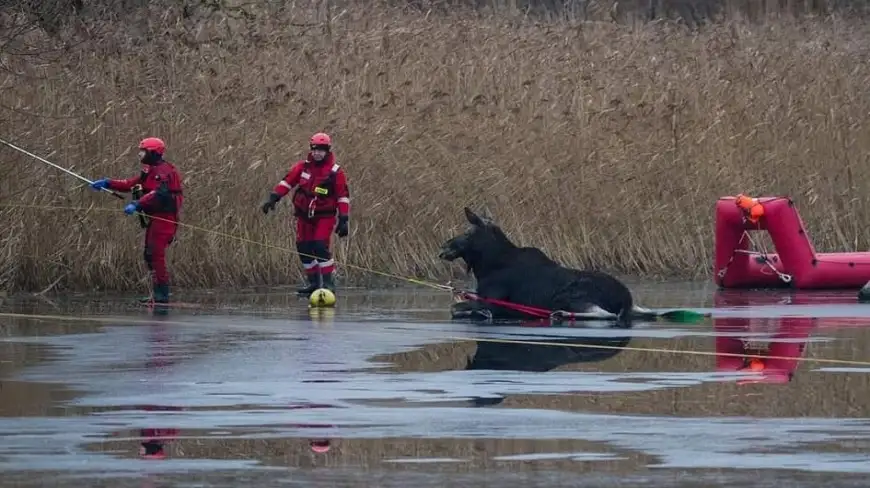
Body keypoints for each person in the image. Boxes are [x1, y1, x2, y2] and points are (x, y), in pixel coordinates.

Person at [90, 137, 184, 304]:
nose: (140, 154)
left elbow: (158, 194)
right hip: (155, 218)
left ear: (154, 153)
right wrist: (108, 183)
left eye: (143, 151)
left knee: (156, 254)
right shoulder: (149, 170)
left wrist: (137, 204)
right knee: (149, 254)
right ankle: (157, 293)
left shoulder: (164, 171)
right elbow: (131, 184)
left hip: (165, 219)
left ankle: (161, 296)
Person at [261, 132, 350, 295]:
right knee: (303, 248)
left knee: (319, 247)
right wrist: (273, 198)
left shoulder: (335, 172)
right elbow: (287, 182)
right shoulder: (303, 167)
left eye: (321, 150)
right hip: (304, 216)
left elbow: (343, 196)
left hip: (324, 216)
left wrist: (343, 219)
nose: (317, 153)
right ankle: (314, 283)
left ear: (327, 151)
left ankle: (329, 284)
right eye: (315, 149)